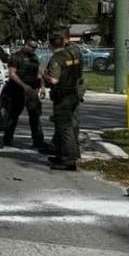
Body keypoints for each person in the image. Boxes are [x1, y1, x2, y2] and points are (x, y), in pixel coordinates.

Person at [43, 33, 84, 171]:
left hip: (62, 96)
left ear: (50, 45)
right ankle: (61, 155)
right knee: (68, 126)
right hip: (74, 93)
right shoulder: (74, 54)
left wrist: (44, 75)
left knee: (65, 128)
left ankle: (68, 160)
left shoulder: (57, 58)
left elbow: (54, 80)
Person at [2, 40, 49, 150]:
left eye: (35, 47)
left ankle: (38, 140)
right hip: (17, 89)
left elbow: (39, 72)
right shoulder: (16, 57)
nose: (34, 49)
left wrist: (42, 86)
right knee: (13, 115)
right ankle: (7, 139)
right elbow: (12, 74)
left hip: (32, 90)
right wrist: (24, 86)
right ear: (26, 45)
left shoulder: (34, 57)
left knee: (35, 115)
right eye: (32, 47)